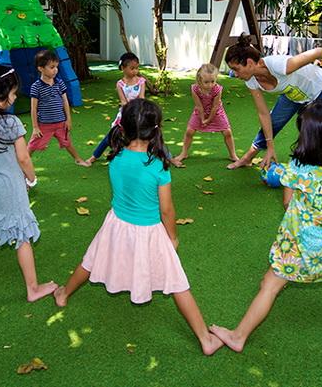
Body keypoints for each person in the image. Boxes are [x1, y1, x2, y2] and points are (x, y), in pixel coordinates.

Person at [209, 100, 322, 353]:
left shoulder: (297, 166)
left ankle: (239, 336)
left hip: (296, 244)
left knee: (270, 285)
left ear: (306, 135)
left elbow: (287, 203)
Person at [53, 99, 224, 355]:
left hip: (116, 224)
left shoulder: (116, 156)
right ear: (155, 130)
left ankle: (64, 293)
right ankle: (205, 339)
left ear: (125, 127)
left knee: (91, 260)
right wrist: (173, 237)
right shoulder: (158, 165)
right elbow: (167, 209)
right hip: (150, 231)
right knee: (178, 283)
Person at [0, 65, 58, 302]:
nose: (15, 96)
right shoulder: (12, 123)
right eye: (13, 92)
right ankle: (33, 289)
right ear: (0, 95)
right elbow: (23, 158)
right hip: (11, 184)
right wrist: (32, 178)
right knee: (23, 235)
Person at [223, 34, 322, 172]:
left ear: (250, 63)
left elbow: (318, 51)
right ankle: (247, 158)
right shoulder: (250, 80)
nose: (235, 74)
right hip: (293, 96)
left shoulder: (281, 65)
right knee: (273, 122)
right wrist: (270, 147)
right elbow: (263, 113)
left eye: (236, 69)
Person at [27, 49, 90, 167]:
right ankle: (23, 162)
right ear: (41, 68)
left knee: (67, 142)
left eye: (56, 66)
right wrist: (35, 127)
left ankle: (77, 159)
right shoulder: (36, 87)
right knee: (33, 145)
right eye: (51, 67)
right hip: (44, 124)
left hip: (60, 122)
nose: (55, 70)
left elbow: (65, 102)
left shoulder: (59, 83)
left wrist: (68, 119)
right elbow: (34, 108)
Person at [86, 52, 146, 165]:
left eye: (137, 68)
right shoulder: (120, 84)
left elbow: (142, 98)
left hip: (139, 112)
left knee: (149, 134)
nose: (135, 71)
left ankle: (165, 157)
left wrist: (139, 110)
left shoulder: (141, 81)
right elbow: (123, 102)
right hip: (125, 113)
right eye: (132, 68)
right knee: (111, 136)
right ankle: (94, 157)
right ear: (123, 68)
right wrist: (130, 111)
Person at [175, 63, 238, 164]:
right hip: (200, 112)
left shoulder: (217, 89)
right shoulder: (195, 89)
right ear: (200, 80)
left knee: (227, 132)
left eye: (213, 81)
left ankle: (233, 155)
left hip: (216, 112)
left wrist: (208, 120)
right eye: (206, 82)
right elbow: (199, 106)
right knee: (189, 131)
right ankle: (184, 153)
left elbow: (214, 107)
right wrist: (202, 118)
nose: (210, 85)